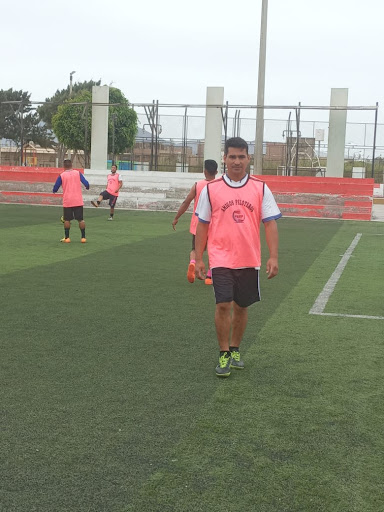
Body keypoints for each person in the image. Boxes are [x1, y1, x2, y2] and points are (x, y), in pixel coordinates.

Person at [195, 137, 282, 377]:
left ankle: (235, 349)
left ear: (248, 158)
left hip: (248, 258)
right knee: (223, 304)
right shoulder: (211, 189)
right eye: (232, 156)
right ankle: (223, 353)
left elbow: (270, 223)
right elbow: (202, 224)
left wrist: (273, 256)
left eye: (241, 156)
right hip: (220, 257)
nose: (236, 161)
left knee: (242, 306)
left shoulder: (260, 187)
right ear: (224, 158)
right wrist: (199, 257)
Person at [172, 160, 218, 285]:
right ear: (217, 172)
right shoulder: (219, 186)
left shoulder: (197, 185)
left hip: (198, 224)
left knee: (194, 249)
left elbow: (186, 202)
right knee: (213, 250)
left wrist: (177, 217)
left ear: (204, 172)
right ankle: (209, 277)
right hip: (215, 224)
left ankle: (192, 263)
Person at [53, 159, 89, 243]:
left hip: (68, 201)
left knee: (67, 220)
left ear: (64, 166)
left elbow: (56, 187)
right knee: (81, 220)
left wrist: (54, 191)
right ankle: (83, 238)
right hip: (78, 200)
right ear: (71, 165)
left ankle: (67, 238)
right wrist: (87, 187)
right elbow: (86, 183)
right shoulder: (77, 173)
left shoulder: (62, 175)